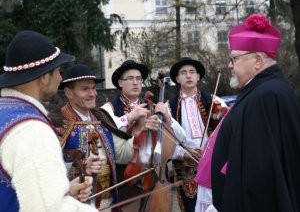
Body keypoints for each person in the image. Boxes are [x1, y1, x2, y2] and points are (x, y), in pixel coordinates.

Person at [0, 30, 98, 212]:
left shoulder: (5, 111)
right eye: (58, 71)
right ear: (44, 78)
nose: (61, 78)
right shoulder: (32, 130)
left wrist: (64, 191)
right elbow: (48, 209)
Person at [211, 13, 300, 212]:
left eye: (234, 59)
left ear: (258, 60)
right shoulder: (262, 90)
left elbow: (260, 171)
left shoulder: (265, 96)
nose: (229, 65)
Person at [49, 64, 159, 211]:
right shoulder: (56, 122)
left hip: (110, 204)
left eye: (93, 88)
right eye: (85, 89)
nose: (92, 93)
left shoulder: (101, 118)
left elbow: (121, 153)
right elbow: (48, 168)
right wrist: (79, 166)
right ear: (69, 93)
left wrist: (143, 132)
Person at [101, 60, 186, 210]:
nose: (135, 83)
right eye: (130, 78)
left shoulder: (154, 107)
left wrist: (167, 118)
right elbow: (108, 134)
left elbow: (181, 137)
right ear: (120, 83)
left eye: (138, 78)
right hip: (127, 182)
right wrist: (129, 118)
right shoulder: (109, 108)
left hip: (158, 177)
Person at [168, 57, 224, 212]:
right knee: (190, 206)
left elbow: (226, 131)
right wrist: (184, 152)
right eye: (183, 73)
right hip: (186, 166)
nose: (188, 76)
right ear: (177, 79)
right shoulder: (169, 107)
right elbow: (167, 141)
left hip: (211, 162)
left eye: (192, 72)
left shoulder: (214, 101)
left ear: (198, 76)